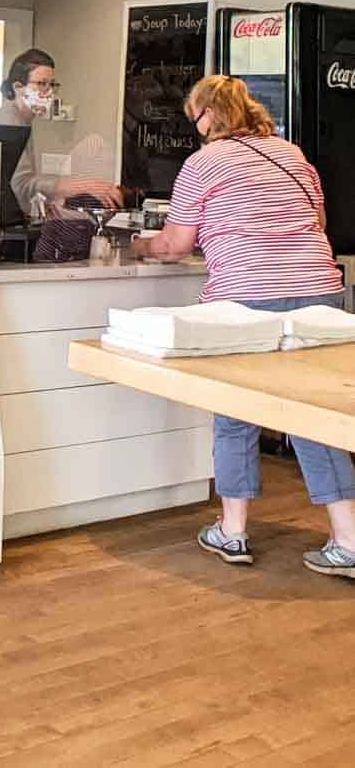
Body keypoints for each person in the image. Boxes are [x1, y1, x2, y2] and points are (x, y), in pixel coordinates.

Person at [133, 75, 355, 579]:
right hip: (319, 291)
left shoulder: (204, 162)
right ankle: (348, 540)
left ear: (209, 115)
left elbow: (174, 245)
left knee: (235, 410)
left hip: (247, 297)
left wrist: (140, 244)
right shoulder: (292, 155)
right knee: (312, 414)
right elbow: (316, 224)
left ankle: (232, 532)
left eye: (197, 119)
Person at [0, 49, 123, 217]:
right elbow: (22, 185)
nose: (49, 91)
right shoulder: (8, 123)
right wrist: (84, 186)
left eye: (53, 84)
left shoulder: (22, 121)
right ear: (18, 87)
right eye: (42, 83)